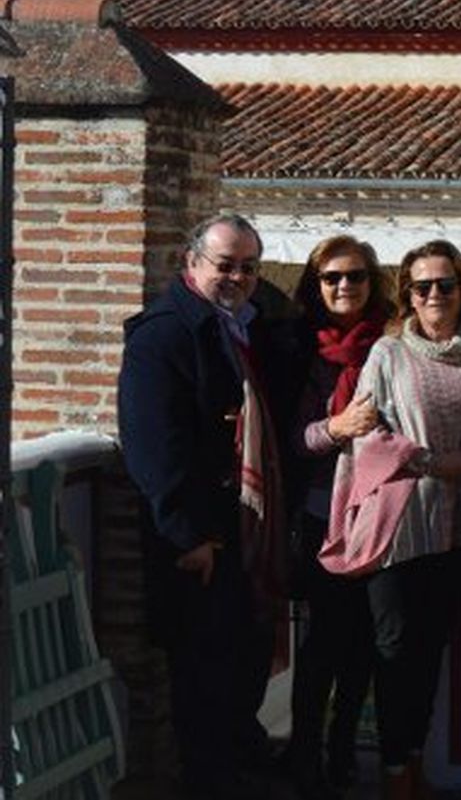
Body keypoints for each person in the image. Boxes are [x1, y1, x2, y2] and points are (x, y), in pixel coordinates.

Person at [322, 239, 461, 800]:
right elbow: (368, 436)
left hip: (458, 526)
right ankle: (394, 770)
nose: (433, 296)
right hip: (398, 523)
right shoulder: (388, 352)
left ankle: (412, 761)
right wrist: (431, 462)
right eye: (421, 287)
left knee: (429, 652)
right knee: (394, 650)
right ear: (407, 295)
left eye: (444, 285)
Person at [118, 213, 288, 799]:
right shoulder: (163, 334)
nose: (236, 276)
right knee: (202, 684)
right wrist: (189, 536)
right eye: (224, 264)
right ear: (191, 264)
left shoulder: (250, 328)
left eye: (247, 267)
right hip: (201, 545)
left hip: (244, 536)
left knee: (240, 670)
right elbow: (153, 445)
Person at [286, 236, 393, 799]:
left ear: (372, 282)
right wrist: (337, 429)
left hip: (376, 518)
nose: (344, 286)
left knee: (365, 644)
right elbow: (288, 438)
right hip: (320, 516)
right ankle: (307, 750)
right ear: (316, 285)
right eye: (332, 278)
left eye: (355, 276)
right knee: (325, 640)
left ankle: (344, 746)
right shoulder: (299, 349)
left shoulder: (393, 347)